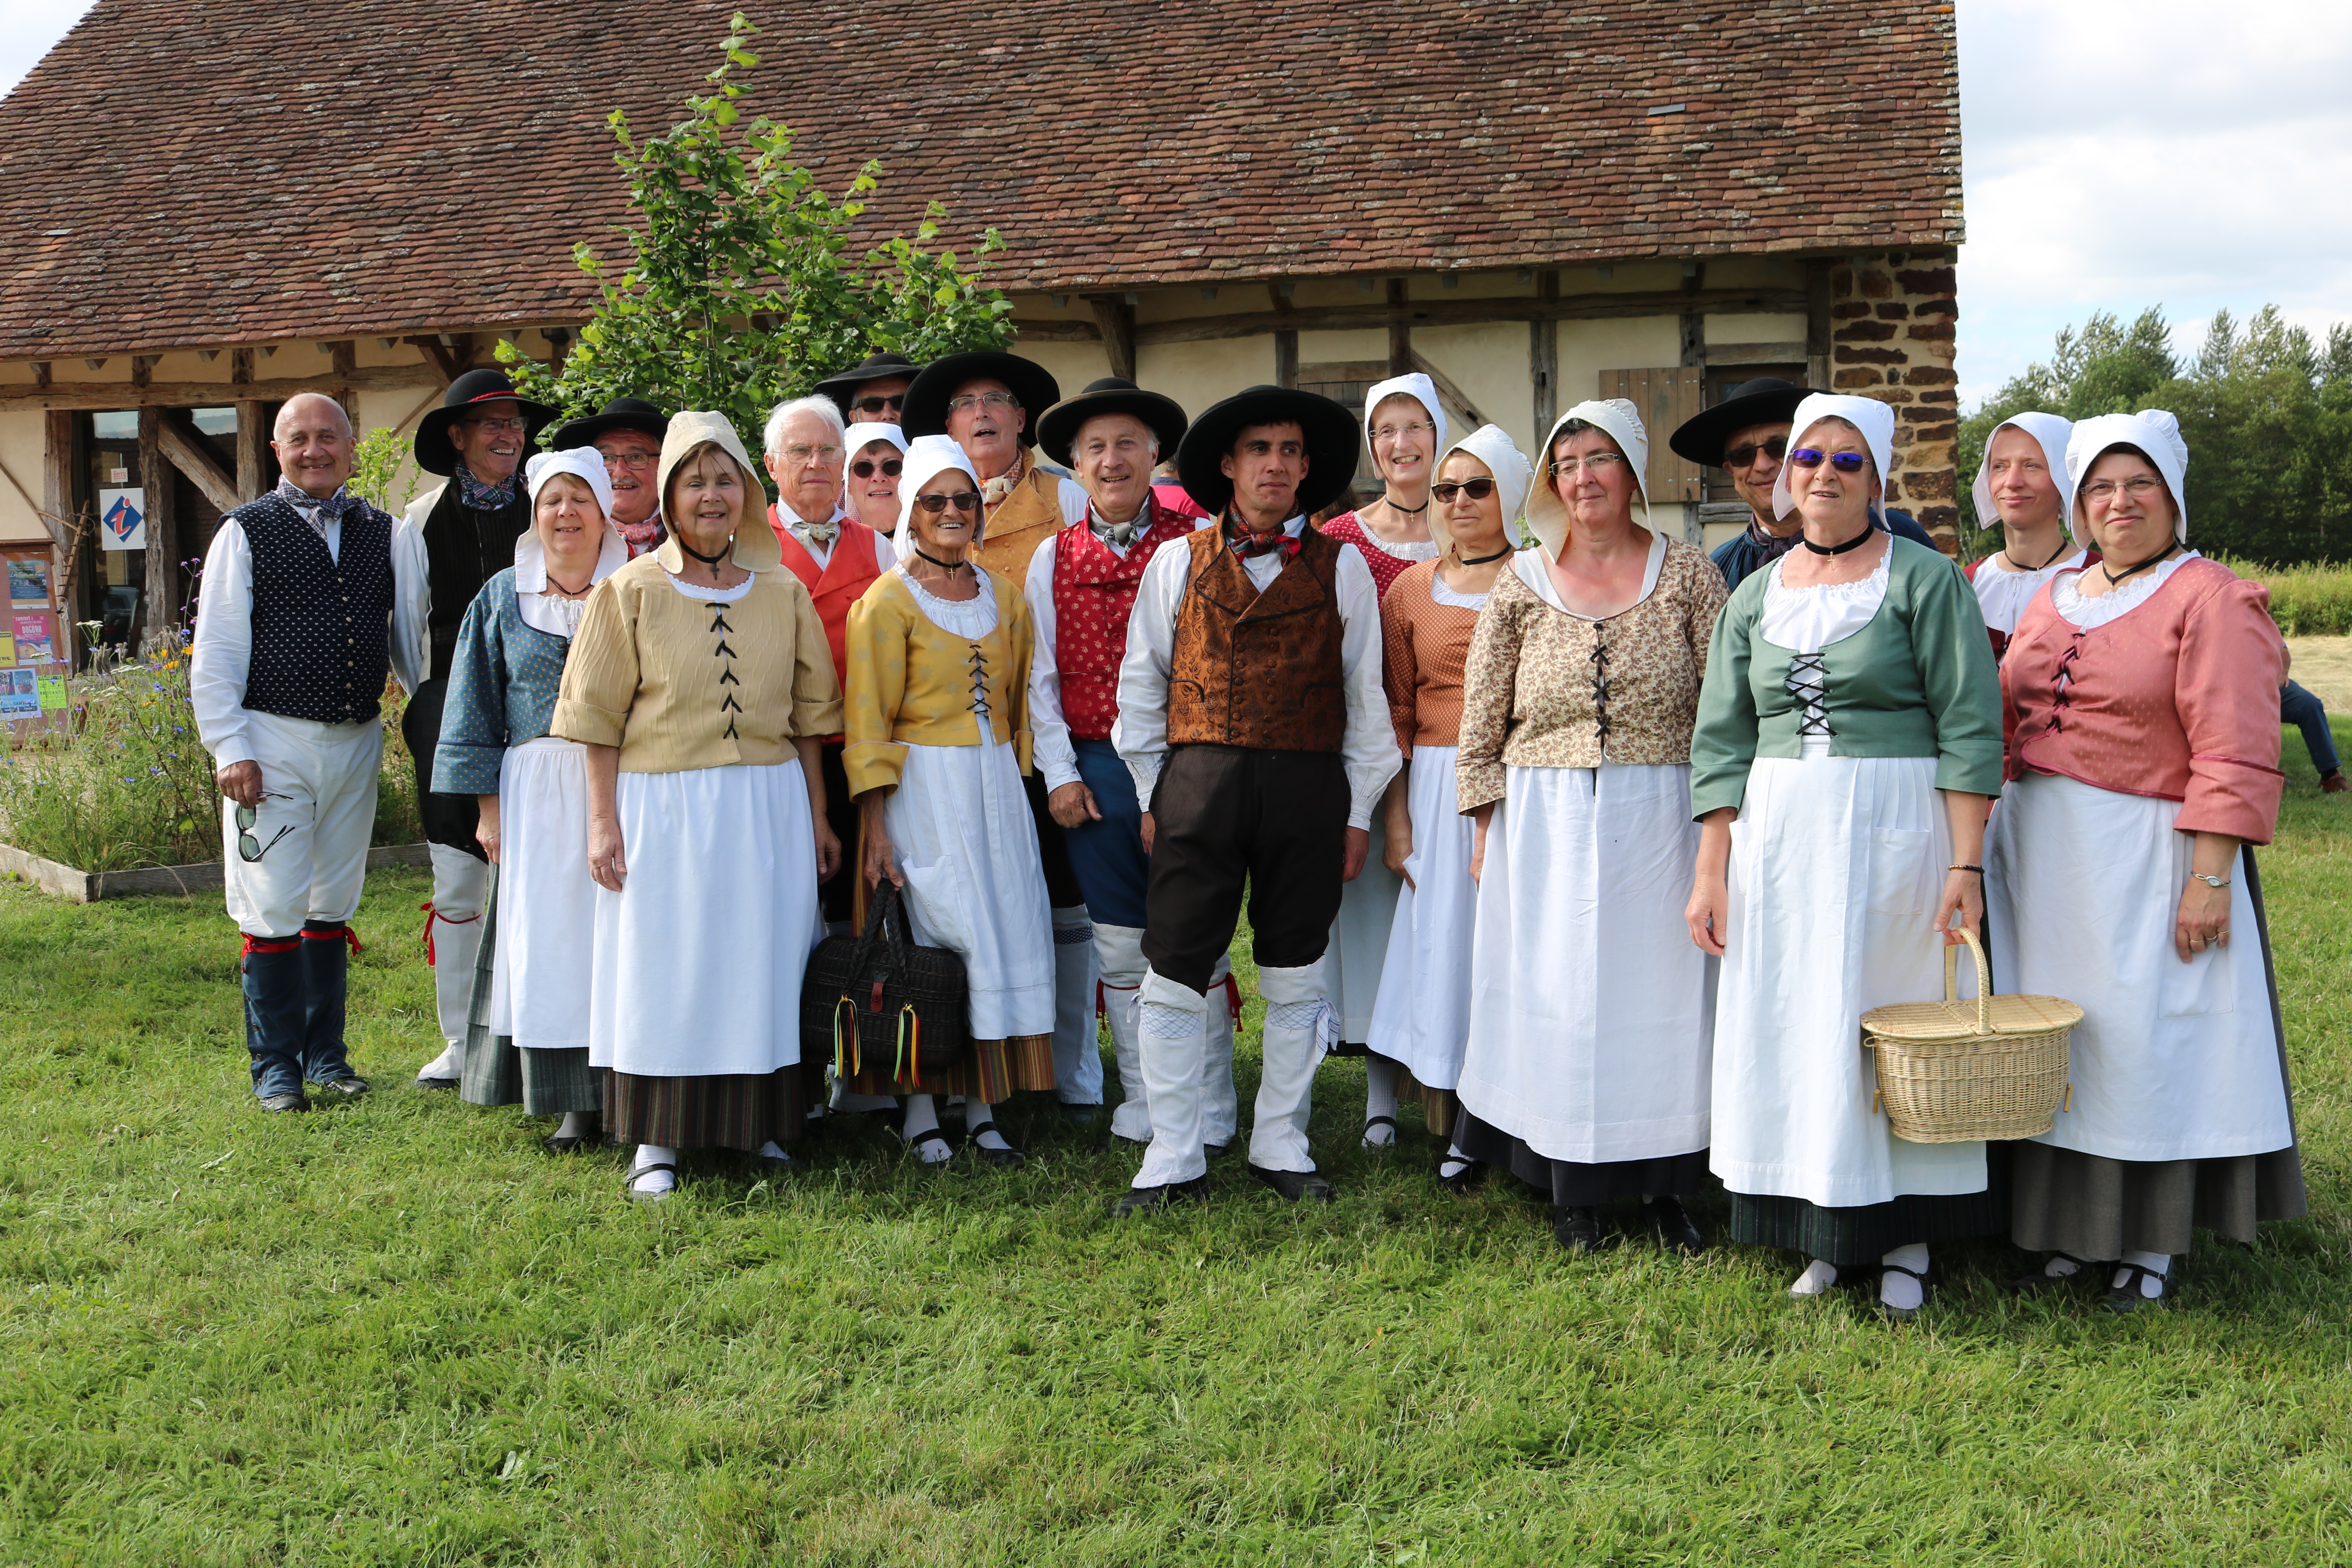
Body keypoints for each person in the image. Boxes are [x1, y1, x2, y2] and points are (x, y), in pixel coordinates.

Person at [1686, 392, 2006, 1322]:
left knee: (1890, 1017)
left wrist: (1965, 863)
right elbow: (1721, 739)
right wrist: (1712, 868)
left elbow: (1969, 724)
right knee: (1798, 1016)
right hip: (1779, 833)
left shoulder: (1922, 578)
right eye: (1807, 458)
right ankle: (1823, 1228)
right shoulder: (1753, 594)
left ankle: (1906, 1237)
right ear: (1786, 476)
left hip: (1896, 825)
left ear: (1877, 477)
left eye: (1847, 460)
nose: (1823, 473)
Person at [1990, 410, 2306, 1311]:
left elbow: (2235, 744)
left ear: (2172, 496)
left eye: (2138, 485)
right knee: (2068, 1041)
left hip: (2148, 856)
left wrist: (2210, 877)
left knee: (2144, 1042)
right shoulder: (2057, 595)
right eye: (2099, 486)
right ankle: (2074, 1228)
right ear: (2079, 503)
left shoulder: (2211, 596)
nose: (2118, 502)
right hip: (2048, 864)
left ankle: (2151, 1240)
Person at [1449, 403, 1726, 1253]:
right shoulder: (1522, 582)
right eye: (1566, 463)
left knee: (1662, 998)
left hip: (1663, 816)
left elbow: (1724, 710)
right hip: (1546, 816)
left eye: (1600, 458)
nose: (1583, 476)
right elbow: (1482, 715)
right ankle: (1572, 1184)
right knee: (1560, 994)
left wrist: (1721, 831)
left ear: (1633, 471)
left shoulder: (1688, 575)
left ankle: (1666, 1184)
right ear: (1550, 482)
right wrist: (1486, 825)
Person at [1114, 386, 1399, 1210]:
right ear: (1230, 466)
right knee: (1173, 970)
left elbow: (1366, 699)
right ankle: (1172, 1152)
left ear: (1308, 469)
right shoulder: (1177, 562)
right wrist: (1150, 789)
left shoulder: (1344, 569)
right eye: (1259, 449)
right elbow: (1143, 688)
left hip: (1307, 786)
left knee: (1296, 972)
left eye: (1290, 451)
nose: (1275, 464)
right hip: (1198, 786)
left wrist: (1356, 811)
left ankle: (1282, 1139)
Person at [551, 412, 842, 1201]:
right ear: (670, 497)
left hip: (769, 804)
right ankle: (659, 1135)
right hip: (663, 808)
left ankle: (762, 1123)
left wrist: (818, 817)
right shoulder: (633, 589)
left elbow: (812, 717)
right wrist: (603, 821)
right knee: (667, 965)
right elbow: (595, 719)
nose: (710, 496)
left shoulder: (782, 590)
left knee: (763, 964)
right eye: (693, 481)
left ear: (746, 491)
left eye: (723, 480)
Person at [191, 393, 428, 1111]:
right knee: (273, 904)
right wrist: (230, 746)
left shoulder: (387, 533)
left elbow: (412, 642)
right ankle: (276, 1070)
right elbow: (218, 649)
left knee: (331, 903)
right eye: (300, 439)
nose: (316, 450)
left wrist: (432, 720)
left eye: (329, 437)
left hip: (355, 739)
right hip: (270, 740)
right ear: (276, 449)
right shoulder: (245, 531)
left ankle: (326, 1057)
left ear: (352, 448)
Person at [1027, 376, 1236, 1152]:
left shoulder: (1195, 548)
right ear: (1075, 466)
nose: (1111, 460)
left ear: (1155, 454)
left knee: (1195, 938)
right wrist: (1062, 776)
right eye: (1095, 448)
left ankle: (1211, 1102)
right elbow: (1039, 680)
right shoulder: (1051, 557)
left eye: (1126, 444)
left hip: (1188, 766)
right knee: (1118, 945)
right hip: (1097, 774)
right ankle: (1145, 1098)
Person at [842, 436, 1059, 1165]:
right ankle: (921, 1110)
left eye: (963, 499)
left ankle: (983, 1106)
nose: (951, 513)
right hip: (923, 790)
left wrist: (1027, 775)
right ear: (910, 512)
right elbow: (868, 720)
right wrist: (875, 823)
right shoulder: (885, 604)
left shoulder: (1004, 596)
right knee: (935, 942)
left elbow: (1026, 695)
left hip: (995, 784)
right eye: (934, 501)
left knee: (997, 931)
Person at [902, 350, 1096, 1122]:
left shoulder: (1067, 497)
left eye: (997, 400)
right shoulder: (921, 509)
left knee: (1064, 907)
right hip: (953, 755)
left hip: (1054, 733)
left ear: (1023, 419)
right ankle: (962, 1069)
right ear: (946, 427)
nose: (982, 412)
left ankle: (1071, 1068)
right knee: (968, 909)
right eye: (965, 403)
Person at [432, 448, 626, 1151]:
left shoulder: (638, 587)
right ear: (534, 512)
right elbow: (472, 708)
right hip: (535, 794)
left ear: (605, 510)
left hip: (626, 786)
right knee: (553, 944)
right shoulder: (502, 597)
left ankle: (630, 1088)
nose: (565, 514)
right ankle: (572, 1100)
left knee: (619, 939)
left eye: (580, 499)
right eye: (551, 501)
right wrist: (489, 811)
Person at [1362, 424, 1529, 1164]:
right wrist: (1398, 825)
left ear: (1512, 494)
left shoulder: (1543, 580)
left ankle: (1515, 1107)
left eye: (1478, 487)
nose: (1459, 501)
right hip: (1433, 785)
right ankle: (1448, 1113)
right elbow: (1396, 712)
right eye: (1447, 489)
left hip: (1524, 784)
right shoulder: (1408, 590)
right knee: (1442, 950)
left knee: (1510, 946)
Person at [406, 368, 560, 1089]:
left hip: (542, 721)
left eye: (516, 423)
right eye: (491, 423)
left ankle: (538, 1033)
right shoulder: (418, 520)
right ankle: (460, 1042)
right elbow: (407, 631)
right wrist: (438, 704)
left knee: (546, 877)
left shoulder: (553, 509)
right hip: (447, 717)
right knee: (461, 880)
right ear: (458, 436)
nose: (509, 434)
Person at [1316, 373, 1446, 1107]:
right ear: (1372, 447)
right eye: (1386, 431)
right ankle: (1378, 1095)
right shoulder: (1340, 542)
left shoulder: (1481, 531)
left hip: (1447, 751)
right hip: (1364, 755)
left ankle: (1441, 1081)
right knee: (1373, 920)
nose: (1402, 444)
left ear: (1438, 437)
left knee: (1439, 913)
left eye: (1415, 427)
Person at [763, 394, 897, 940]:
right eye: (800, 451)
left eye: (827, 451)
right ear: (771, 465)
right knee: (789, 907)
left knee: (862, 907)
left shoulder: (881, 550)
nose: (816, 463)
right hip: (783, 755)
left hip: (863, 751)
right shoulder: (744, 548)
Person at [1666, 376, 1940, 592]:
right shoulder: (1720, 568)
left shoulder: (1898, 538)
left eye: (1779, 447)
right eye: (1744, 455)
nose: (1762, 465)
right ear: (1731, 471)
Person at [1965, 412, 2089, 658]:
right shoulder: (1966, 583)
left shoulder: (2099, 577)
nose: (2012, 482)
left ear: (2062, 479)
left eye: (2032, 466)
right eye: (2000, 466)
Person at [550, 396, 670, 559]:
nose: (620, 472)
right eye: (606, 458)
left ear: (664, 465)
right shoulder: (565, 532)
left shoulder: (691, 533)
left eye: (636, 457)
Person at [2279, 671, 2347, 791]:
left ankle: (2330, 775)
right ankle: (2262, 772)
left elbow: (2284, 653)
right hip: (2240, 686)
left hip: (2271, 681)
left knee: (2309, 704)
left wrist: (2283, 672)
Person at [815, 350, 921, 426]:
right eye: (873, 405)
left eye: (900, 403)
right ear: (855, 418)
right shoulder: (836, 458)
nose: (887, 415)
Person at [845, 424, 908, 540]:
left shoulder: (935, 543)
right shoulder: (832, 546)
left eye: (892, 466)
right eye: (864, 467)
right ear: (848, 484)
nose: (878, 477)